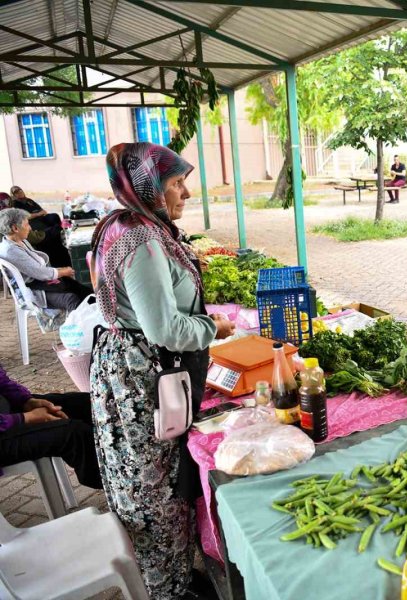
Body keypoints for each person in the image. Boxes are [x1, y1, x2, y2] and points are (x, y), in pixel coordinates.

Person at [89, 143, 234, 599]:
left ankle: (173, 578)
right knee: (155, 492)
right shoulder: (140, 238)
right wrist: (213, 327)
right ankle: (169, 589)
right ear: (148, 186)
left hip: (130, 370)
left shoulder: (129, 224)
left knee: (152, 485)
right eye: (175, 183)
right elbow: (165, 329)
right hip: (141, 381)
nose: (186, 193)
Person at [0, 362, 101, 489]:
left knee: (90, 404)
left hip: (6, 411)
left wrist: (26, 400)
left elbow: (2, 381)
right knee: (74, 434)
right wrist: (25, 418)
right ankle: (114, 485)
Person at [0, 208, 90, 311]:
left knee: (80, 288)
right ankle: (81, 319)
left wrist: (60, 271)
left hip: (39, 282)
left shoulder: (17, 241)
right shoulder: (11, 251)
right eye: (27, 224)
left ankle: (93, 314)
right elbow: (39, 272)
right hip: (33, 290)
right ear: (15, 228)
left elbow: (37, 269)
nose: (30, 228)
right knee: (71, 299)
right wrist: (64, 272)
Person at [10, 185, 70, 267]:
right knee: (55, 230)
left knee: (54, 217)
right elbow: (25, 217)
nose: (20, 193)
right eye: (16, 192)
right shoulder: (15, 205)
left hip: (39, 218)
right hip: (33, 223)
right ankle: (61, 258)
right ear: (13, 195)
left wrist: (39, 213)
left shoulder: (29, 200)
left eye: (20, 190)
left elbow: (42, 211)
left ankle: (61, 242)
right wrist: (37, 214)